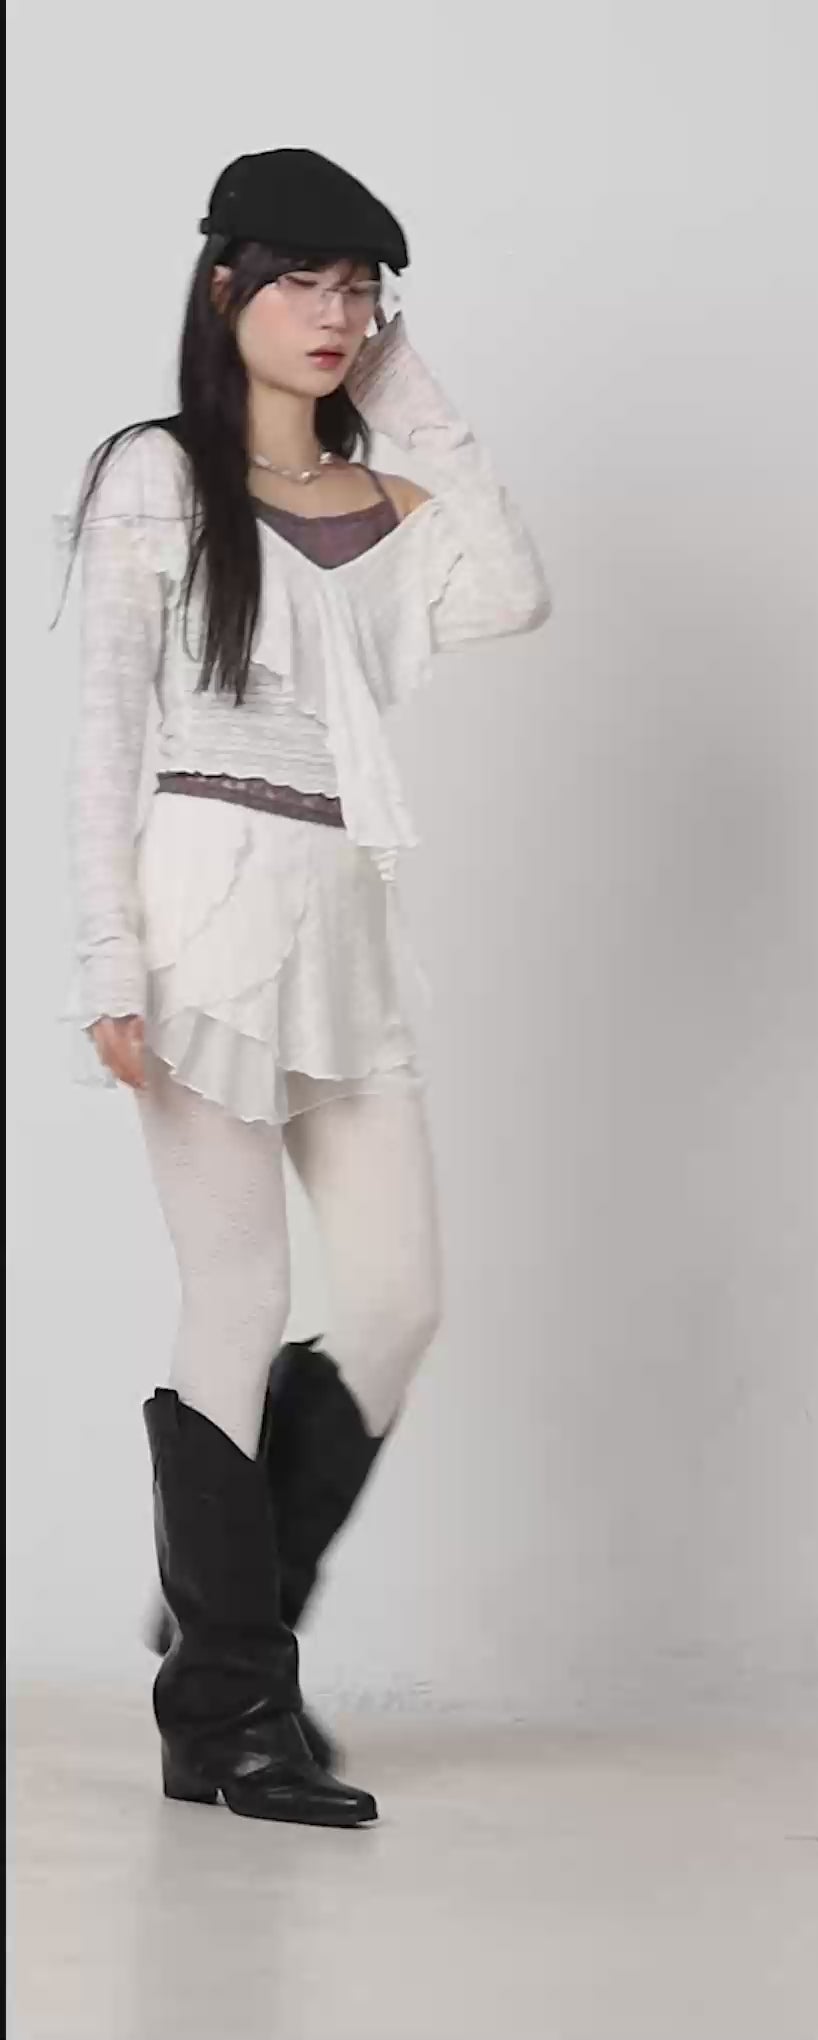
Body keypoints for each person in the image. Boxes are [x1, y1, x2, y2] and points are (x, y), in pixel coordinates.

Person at [55, 148, 551, 1829]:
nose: (336, 315)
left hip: (346, 917)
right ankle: (232, 1717)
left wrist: (420, 405)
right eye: (303, 283)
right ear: (228, 291)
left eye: (362, 291)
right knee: (238, 1296)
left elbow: (513, 591)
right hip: (202, 902)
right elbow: (106, 734)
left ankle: (228, 1629)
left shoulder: (385, 504)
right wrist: (108, 958)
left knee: (399, 1299)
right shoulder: (156, 477)